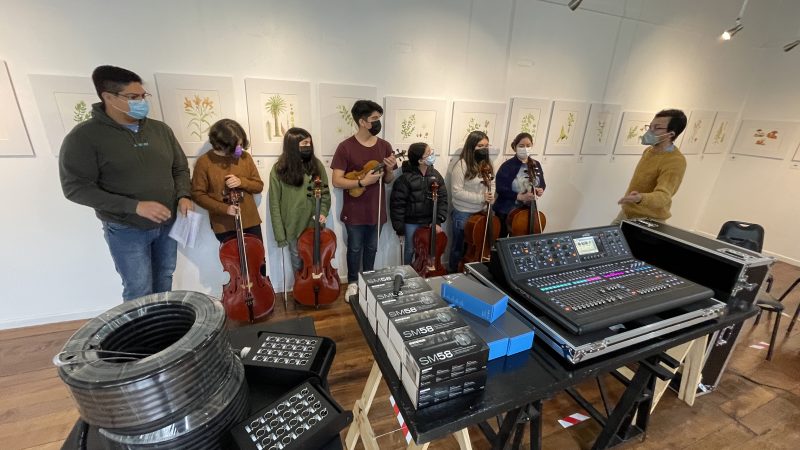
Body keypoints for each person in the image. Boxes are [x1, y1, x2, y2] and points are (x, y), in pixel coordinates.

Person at [59, 65, 193, 301]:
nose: (141, 101)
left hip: (167, 224)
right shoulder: (84, 137)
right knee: (138, 288)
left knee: (164, 278)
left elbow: (179, 167)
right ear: (108, 97)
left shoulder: (160, 130)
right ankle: (142, 337)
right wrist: (135, 206)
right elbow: (75, 188)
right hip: (125, 228)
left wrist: (183, 195)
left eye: (143, 96)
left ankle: (164, 330)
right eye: (133, 97)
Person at [331, 100, 397, 300]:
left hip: (376, 209)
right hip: (355, 210)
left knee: (372, 248)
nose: (378, 122)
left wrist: (388, 169)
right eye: (374, 119)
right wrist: (362, 182)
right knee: (355, 248)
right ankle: (352, 283)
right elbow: (336, 180)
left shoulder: (385, 146)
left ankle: (368, 280)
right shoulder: (345, 147)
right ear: (362, 121)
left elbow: (388, 180)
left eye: (379, 118)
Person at [191, 118, 264, 243]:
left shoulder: (245, 157)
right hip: (224, 225)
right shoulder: (204, 162)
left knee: (258, 261)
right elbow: (197, 195)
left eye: (241, 144)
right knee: (233, 261)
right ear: (221, 144)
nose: (239, 148)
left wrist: (242, 182)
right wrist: (225, 209)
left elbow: (258, 186)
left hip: (250, 221)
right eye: (236, 145)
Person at [268, 127, 331, 272]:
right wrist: (280, 235)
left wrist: (323, 212)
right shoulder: (279, 169)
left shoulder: (317, 165)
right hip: (293, 226)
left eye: (309, 143)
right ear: (292, 146)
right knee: (297, 262)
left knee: (317, 261)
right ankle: (301, 291)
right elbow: (274, 204)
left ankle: (318, 290)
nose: (308, 146)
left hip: (313, 224)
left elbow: (325, 192)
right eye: (304, 143)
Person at [613, 109, 688, 225]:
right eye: (650, 126)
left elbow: (664, 196)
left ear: (671, 134)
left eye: (657, 128)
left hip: (649, 220)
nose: (650, 131)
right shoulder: (649, 150)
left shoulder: (676, 161)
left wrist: (640, 198)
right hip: (627, 213)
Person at [390, 143, 448, 265]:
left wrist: (437, 220)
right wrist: (399, 228)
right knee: (410, 250)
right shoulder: (405, 179)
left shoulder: (435, 175)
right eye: (428, 153)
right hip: (411, 222)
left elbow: (443, 198)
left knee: (429, 250)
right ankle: (406, 275)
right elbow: (397, 205)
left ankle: (425, 274)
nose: (432, 154)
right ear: (420, 160)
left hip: (430, 221)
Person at [448, 131, 494, 272]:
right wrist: (481, 198)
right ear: (471, 146)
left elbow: (492, 184)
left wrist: (491, 197)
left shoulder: (488, 164)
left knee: (476, 246)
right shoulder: (462, 165)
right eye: (480, 146)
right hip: (463, 213)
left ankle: (474, 272)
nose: (484, 149)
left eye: (486, 146)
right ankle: (453, 272)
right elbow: (456, 192)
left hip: (481, 212)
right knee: (459, 247)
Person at [494, 132, 546, 236]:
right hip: (506, 210)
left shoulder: (536, 164)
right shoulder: (507, 166)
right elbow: (500, 188)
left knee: (522, 240)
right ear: (515, 147)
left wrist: (540, 190)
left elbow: (542, 183)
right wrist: (519, 196)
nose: (525, 148)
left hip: (527, 210)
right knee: (501, 241)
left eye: (528, 146)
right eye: (521, 146)